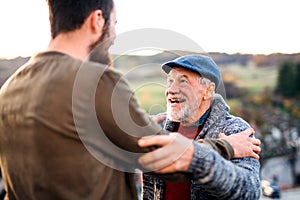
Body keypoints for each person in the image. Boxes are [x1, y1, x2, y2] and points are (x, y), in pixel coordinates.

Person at [0, 1, 260, 200]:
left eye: (183, 80)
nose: (113, 36)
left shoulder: (9, 89)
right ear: (97, 20)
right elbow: (164, 159)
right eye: (114, 24)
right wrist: (225, 148)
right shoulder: (96, 82)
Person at [139, 54, 262, 199]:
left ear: (208, 91)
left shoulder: (234, 130)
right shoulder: (157, 125)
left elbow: (249, 192)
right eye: (170, 81)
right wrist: (223, 148)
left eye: (183, 81)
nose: (171, 89)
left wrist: (203, 160)